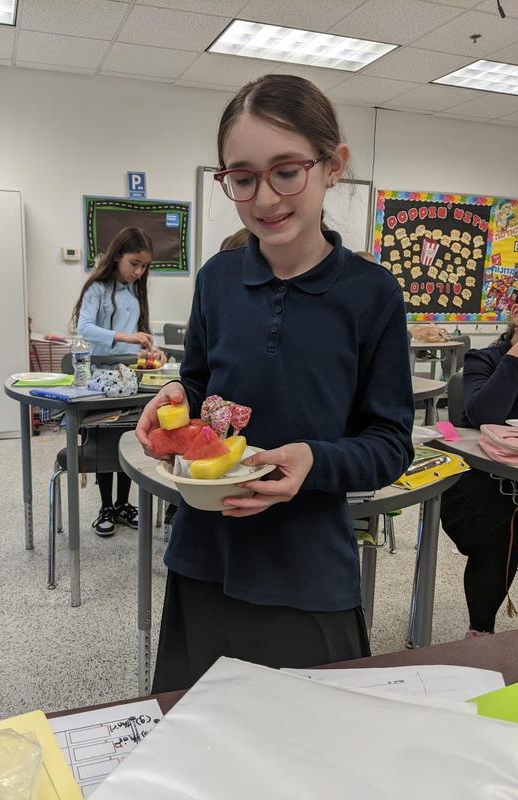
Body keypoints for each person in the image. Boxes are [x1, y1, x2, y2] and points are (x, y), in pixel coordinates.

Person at [136, 74, 414, 693]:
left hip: (307, 571)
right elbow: (202, 390)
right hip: (204, 557)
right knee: (196, 752)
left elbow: (391, 443)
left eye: (286, 170)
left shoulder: (371, 295)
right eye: (242, 177)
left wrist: (314, 460)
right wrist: (177, 401)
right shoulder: (216, 280)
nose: (264, 198)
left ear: (332, 165)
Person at [72, 225, 165, 536]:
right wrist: (123, 336)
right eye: (134, 263)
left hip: (131, 377)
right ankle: (105, 506)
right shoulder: (97, 290)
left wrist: (153, 349)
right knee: (104, 440)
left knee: (129, 437)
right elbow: (84, 329)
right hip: (101, 378)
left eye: (144, 266)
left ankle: (124, 504)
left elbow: (141, 335)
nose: (139, 271)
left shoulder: (134, 292)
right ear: (116, 258)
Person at [441, 303, 518, 636]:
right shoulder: (484, 360)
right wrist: (516, 356)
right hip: (487, 485)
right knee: (502, 534)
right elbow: (483, 413)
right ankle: (480, 634)